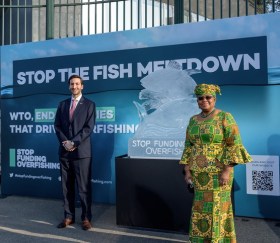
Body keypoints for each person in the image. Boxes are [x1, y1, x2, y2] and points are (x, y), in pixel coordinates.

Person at [179, 83, 252, 242]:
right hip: (199, 174)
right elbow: (188, 146)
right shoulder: (193, 120)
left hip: (219, 173)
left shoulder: (225, 117)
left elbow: (234, 144)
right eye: (200, 98)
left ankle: (219, 240)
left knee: (218, 208)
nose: (204, 100)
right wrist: (187, 170)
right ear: (197, 100)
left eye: (208, 97)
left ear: (214, 98)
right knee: (200, 208)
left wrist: (226, 171)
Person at [54, 74, 96, 230]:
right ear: (69, 86)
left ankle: (86, 218)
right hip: (65, 153)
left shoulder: (90, 105)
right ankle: (68, 216)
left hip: (82, 153)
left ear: (82, 86)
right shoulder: (62, 104)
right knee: (66, 187)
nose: (74, 86)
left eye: (77, 84)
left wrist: (74, 142)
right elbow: (57, 126)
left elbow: (88, 128)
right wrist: (65, 142)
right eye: (72, 84)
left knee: (84, 187)